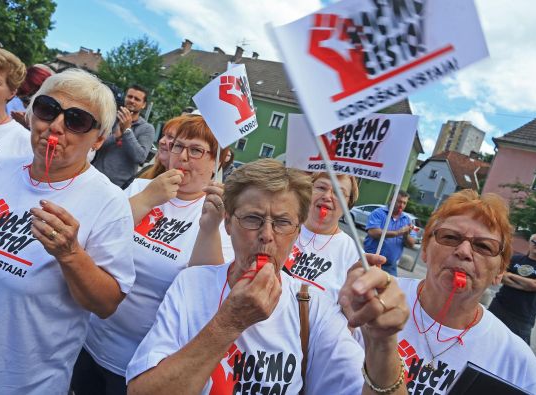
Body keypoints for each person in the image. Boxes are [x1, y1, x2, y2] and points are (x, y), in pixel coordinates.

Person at [0, 68, 136, 394]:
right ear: (32, 115)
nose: (56, 126)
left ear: (98, 139)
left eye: (76, 120)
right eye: (47, 110)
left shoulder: (107, 202)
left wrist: (70, 255)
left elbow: (106, 303)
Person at [126, 159, 410, 395]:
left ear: (298, 232)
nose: (267, 234)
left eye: (283, 222)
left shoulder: (314, 309)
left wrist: (382, 343)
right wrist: (228, 324)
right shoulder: (192, 284)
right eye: (252, 218)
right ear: (227, 223)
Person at [73, 116, 234, 395]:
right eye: (178, 146)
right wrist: (148, 198)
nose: (182, 157)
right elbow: (96, 243)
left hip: (143, 366)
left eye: (196, 150)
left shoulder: (220, 215)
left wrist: (210, 229)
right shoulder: (141, 189)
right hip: (88, 340)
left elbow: (203, 292)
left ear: (218, 160)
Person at [394, 190, 536, 394]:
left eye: (483, 246)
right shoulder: (374, 299)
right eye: (450, 237)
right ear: (425, 248)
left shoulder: (517, 363)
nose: (463, 251)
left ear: (500, 271)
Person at [284, 172, 360, 297]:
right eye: (321, 188)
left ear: (348, 204)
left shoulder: (354, 256)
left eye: (339, 193)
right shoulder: (280, 229)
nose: (327, 196)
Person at [92, 84, 156, 188]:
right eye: (129, 96)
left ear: (144, 105)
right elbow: (93, 145)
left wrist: (127, 131)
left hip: (119, 187)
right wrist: (115, 137)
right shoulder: (111, 118)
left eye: (137, 99)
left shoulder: (146, 129)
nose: (132, 100)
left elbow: (140, 157)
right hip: (95, 178)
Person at [488, 232, 536, 345]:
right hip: (499, 306)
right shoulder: (515, 259)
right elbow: (501, 276)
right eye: (535, 242)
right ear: (530, 243)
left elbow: (535, 286)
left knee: (516, 347)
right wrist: (527, 285)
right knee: (487, 337)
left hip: (523, 315)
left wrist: (511, 276)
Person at [363, 190, 415, 276]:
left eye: (404, 203)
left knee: (390, 289)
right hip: (371, 262)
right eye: (399, 202)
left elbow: (411, 244)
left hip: (390, 267)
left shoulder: (406, 219)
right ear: (391, 200)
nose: (401, 205)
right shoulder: (379, 213)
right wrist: (398, 232)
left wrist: (406, 234)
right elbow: (373, 232)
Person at [137, 115, 187, 180]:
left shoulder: (183, 184)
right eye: (163, 135)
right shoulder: (148, 169)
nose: (161, 141)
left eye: (170, 137)